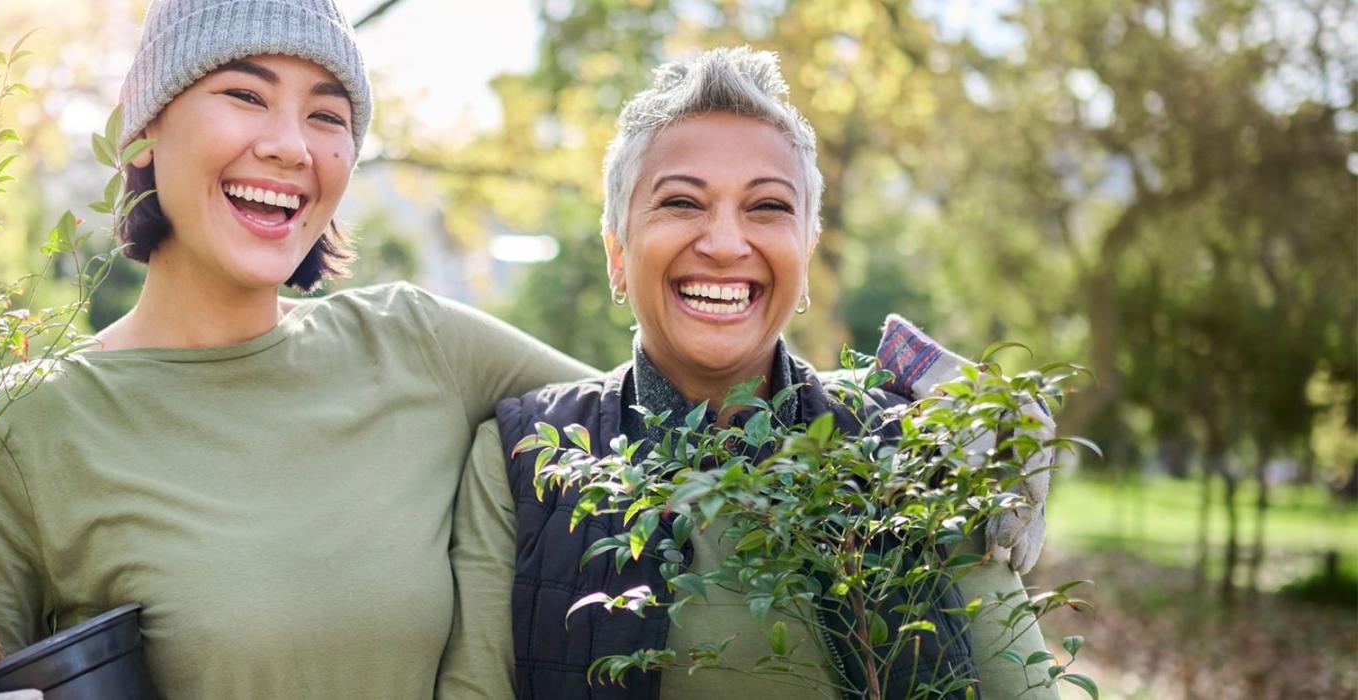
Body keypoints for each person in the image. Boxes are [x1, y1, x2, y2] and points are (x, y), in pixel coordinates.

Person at [0, 1, 1044, 695]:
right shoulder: (16, 431)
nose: (287, 144)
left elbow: (693, 407)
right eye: (242, 93)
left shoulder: (418, 344)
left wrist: (955, 439)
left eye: (327, 113)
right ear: (148, 127)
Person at [436, 48, 1056, 699]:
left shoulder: (914, 448)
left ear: (807, 252)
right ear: (617, 253)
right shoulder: (523, 458)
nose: (727, 244)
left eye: (768, 207)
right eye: (681, 202)